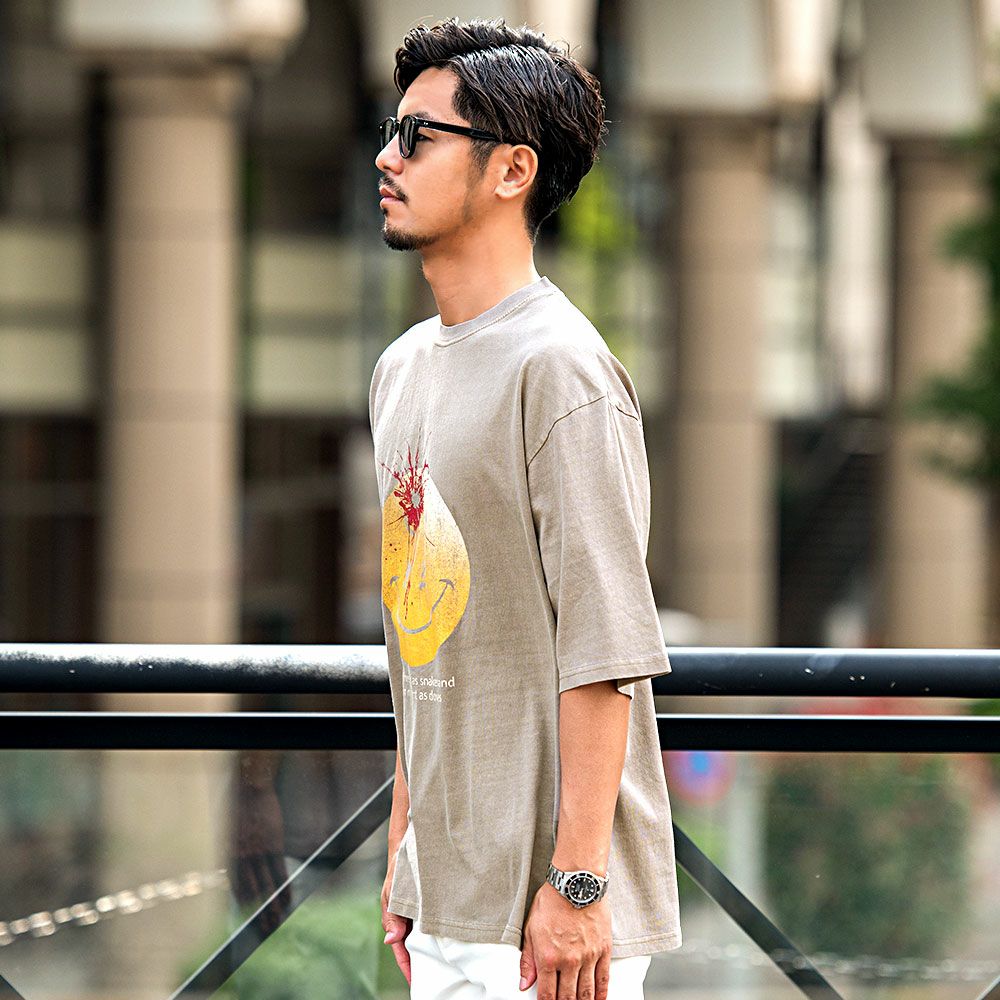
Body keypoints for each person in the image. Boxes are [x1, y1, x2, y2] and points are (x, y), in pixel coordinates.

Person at [368, 18, 681, 1000]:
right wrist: (406, 851)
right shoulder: (400, 368)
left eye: (419, 137)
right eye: (391, 130)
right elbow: (420, 638)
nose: (386, 157)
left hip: (549, 920)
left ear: (512, 170)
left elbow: (605, 648)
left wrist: (578, 885)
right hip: (446, 895)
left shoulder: (562, 370)